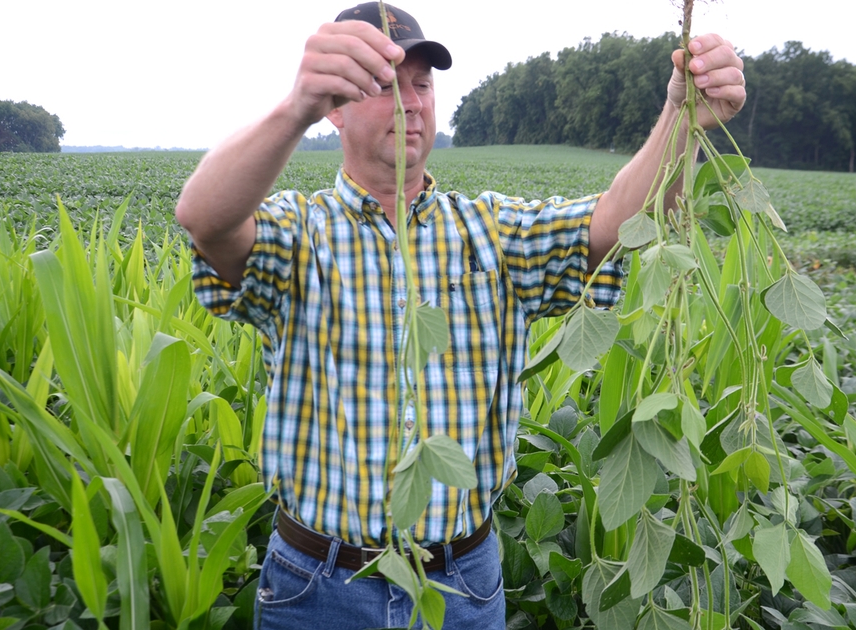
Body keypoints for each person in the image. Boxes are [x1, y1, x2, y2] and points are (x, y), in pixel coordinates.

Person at [175, 3, 745, 628]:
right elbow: (206, 219)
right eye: (381, 85)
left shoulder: (490, 231)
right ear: (333, 109)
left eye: (421, 83)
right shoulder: (299, 231)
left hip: (463, 585)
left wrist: (684, 115)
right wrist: (293, 109)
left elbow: (614, 224)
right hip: (318, 586)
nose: (409, 102)